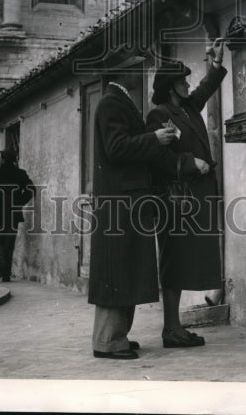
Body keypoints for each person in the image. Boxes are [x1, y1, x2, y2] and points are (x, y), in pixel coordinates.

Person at [88, 55, 207, 360]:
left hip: (129, 199)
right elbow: (116, 148)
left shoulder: (119, 101)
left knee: (124, 269)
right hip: (121, 200)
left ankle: (117, 337)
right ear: (124, 72)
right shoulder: (112, 103)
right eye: (136, 68)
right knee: (116, 271)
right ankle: (108, 342)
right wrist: (154, 138)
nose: (141, 72)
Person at [145, 39, 227, 348]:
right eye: (181, 80)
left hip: (193, 200)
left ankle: (175, 327)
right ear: (169, 86)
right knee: (173, 261)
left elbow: (205, 88)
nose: (187, 83)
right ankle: (170, 328)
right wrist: (190, 164)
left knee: (184, 261)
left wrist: (216, 64)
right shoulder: (159, 116)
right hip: (175, 200)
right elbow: (159, 158)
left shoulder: (189, 109)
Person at [0, 148, 35, 282]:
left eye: (1, 157)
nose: (0, 160)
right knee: (9, 242)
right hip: (13, 212)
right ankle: (6, 273)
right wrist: (19, 203)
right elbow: (31, 190)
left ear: (4, 159)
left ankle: (0, 262)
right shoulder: (20, 173)